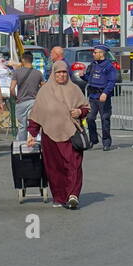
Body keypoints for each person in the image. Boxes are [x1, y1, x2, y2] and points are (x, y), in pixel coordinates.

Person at [26, 61, 90, 210]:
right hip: (50, 136)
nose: (61, 75)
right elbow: (37, 114)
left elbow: (85, 107)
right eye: (58, 73)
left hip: (71, 134)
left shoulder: (74, 89)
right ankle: (60, 197)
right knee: (54, 168)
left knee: (73, 165)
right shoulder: (45, 91)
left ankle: (73, 195)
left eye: (64, 72)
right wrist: (32, 134)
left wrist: (80, 112)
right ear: (53, 74)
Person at [82, 45, 118, 151]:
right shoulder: (93, 65)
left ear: (101, 54)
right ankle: (93, 139)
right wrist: (83, 76)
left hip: (103, 97)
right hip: (93, 96)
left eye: (95, 52)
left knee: (105, 119)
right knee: (90, 118)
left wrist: (105, 93)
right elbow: (90, 78)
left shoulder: (109, 66)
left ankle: (106, 142)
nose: (93, 54)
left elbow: (112, 81)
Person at [10, 51, 43, 133]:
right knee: (34, 125)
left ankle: (22, 144)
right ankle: (34, 143)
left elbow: (11, 88)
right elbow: (44, 87)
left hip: (21, 102)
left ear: (23, 60)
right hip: (34, 102)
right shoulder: (38, 73)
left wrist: (16, 97)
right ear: (32, 60)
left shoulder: (17, 72)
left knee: (22, 127)